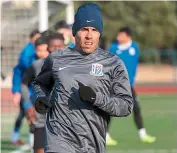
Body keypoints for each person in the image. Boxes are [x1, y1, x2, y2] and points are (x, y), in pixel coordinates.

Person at [32, 3, 133, 153]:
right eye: (84, 29)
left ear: (100, 33)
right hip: (58, 140)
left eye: (94, 30)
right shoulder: (56, 58)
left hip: (92, 144)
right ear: (74, 32)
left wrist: (96, 98)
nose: (89, 36)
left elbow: (126, 106)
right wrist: (40, 97)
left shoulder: (112, 63)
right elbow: (39, 84)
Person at [108, 26, 156, 144]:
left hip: (128, 85)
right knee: (109, 110)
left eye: (121, 35)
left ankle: (143, 134)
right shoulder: (113, 48)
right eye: (118, 35)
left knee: (136, 109)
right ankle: (104, 135)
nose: (118, 37)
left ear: (127, 36)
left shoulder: (134, 47)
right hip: (115, 84)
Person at [21, 33, 65, 153]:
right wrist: (27, 105)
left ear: (64, 46)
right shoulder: (37, 65)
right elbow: (24, 83)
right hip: (42, 117)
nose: (56, 49)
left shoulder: (72, 66)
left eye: (59, 46)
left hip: (64, 119)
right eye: (53, 46)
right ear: (48, 48)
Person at [11, 29, 40, 145]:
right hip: (27, 88)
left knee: (32, 112)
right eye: (36, 38)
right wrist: (16, 91)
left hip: (34, 88)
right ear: (31, 39)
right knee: (25, 112)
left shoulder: (39, 50)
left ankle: (31, 138)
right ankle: (17, 137)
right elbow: (18, 72)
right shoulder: (27, 53)